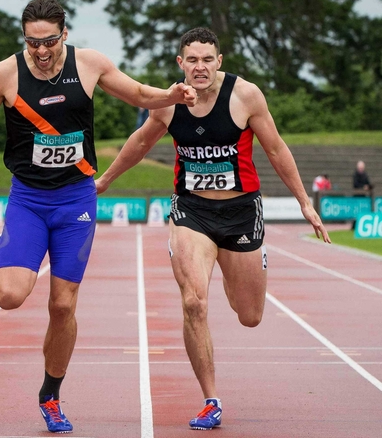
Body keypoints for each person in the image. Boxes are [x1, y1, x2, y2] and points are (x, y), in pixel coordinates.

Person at [0, 0, 197, 433]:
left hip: (76, 200)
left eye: (49, 41)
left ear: (65, 34)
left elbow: (138, 94)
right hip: (28, 199)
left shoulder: (89, 64)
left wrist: (170, 95)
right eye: (32, 42)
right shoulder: (5, 74)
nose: (41, 51)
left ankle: (50, 395)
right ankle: (9, 247)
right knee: (9, 297)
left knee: (62, 305)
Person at [95, 27, 330, 430]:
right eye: (192, 60)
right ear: (181, 63)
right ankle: (211, 399)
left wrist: (304, 202)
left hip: (241, 212)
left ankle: (230, 267)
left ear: (219, 61)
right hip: (192, 211)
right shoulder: (169, 102)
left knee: (249, 315)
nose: (200, 67)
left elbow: (276, 148)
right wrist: (103, 181)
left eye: (207, 59)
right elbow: (140, 143)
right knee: (194, 302)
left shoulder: (246, 96)